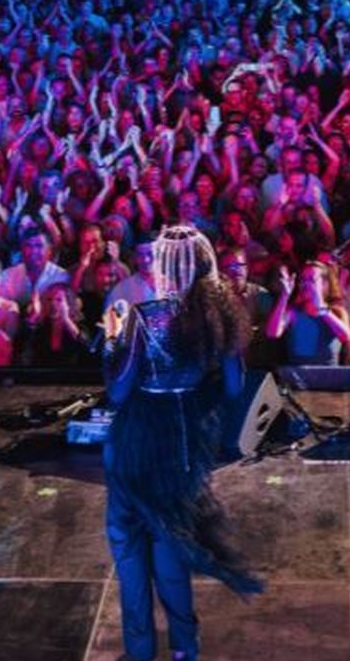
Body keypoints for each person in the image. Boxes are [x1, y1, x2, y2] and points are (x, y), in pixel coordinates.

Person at [99, 225, 263, 661]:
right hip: (184, 447)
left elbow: (118, 392)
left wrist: (112, 341)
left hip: (136, 445)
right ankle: (184, 648)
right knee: (171, 549)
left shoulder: (144, 316)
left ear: (165, 267)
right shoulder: (219, 318)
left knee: (128, 548)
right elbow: (234, 387)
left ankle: (140, 651)